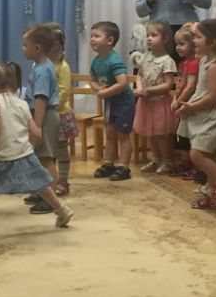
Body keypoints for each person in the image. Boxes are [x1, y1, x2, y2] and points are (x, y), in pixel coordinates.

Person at [0, 63, 74, 243]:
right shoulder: (21, 103)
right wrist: (29, 142)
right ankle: (62, 210)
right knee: (40, 184)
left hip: (7, 158)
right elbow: (35, 132)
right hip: (26, 154)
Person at [176, 19, 216, 210]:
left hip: (214, 116)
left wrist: (191, 107)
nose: (194, 40)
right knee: (208, 154)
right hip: (205, 114)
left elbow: (213, 97)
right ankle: (211, 195)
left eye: (198, 37)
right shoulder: (204, 61)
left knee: (197, 153)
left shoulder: (215, 65)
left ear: (213, 41)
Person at [21, 23, 61, 213]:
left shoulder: (43, 70)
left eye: (25, 45)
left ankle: (51, 199)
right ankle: (42, 192)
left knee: (46, 158)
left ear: (36, 48)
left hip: (45, 116)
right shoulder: (39, 66)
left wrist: (36, 125)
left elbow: (41, 99)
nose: (23, 48)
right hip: (41, 115)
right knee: (38, 157)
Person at [89, 21, 136, 181]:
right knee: (109, 133)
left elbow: (123, 83)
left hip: (123, 103)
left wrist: (105, 92)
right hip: (110, 102)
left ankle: (123, 166)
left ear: (109, 40)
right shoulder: (96, 61)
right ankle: (108, 163)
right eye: (91, 36)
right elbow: (92, 80)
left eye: (97, 36)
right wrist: (98, 89)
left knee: (123, 134)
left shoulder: (114, 60)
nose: (92, 39)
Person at [134, 21, 178, 174]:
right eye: (148, 35)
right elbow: (139, 75)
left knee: (161, 135)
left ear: (165, 39)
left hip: (160, 103)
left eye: (154, 35)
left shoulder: (167, 61)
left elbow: (168, 84)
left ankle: (167, 161)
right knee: (150, 133)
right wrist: (140, 88)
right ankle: (156, 159)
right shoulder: (146, 57)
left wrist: (149, 90)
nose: (149, 38)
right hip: (146, 103)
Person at [46, 22, 78, 196]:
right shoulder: (42, 64)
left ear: (56, 45)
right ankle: (47, 184)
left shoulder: (63, 67)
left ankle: (63, 182)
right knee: (46, 151)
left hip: (59, 114)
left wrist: (50, 106)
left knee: (60, 148)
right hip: (45, 114)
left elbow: (64, 92)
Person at [170, 23, 200, 178]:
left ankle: (194, 166)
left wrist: (179, 100)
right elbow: (179, 84)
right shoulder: (182, 63)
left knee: (189, 136)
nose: (178, 47)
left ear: (193, 45)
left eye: (182, 44)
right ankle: (185, 163)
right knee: (182, 135)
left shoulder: (194, 63)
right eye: (177, 44)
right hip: (182, 104)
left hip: (190, 105)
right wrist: (175, 98)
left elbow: (191, 86)